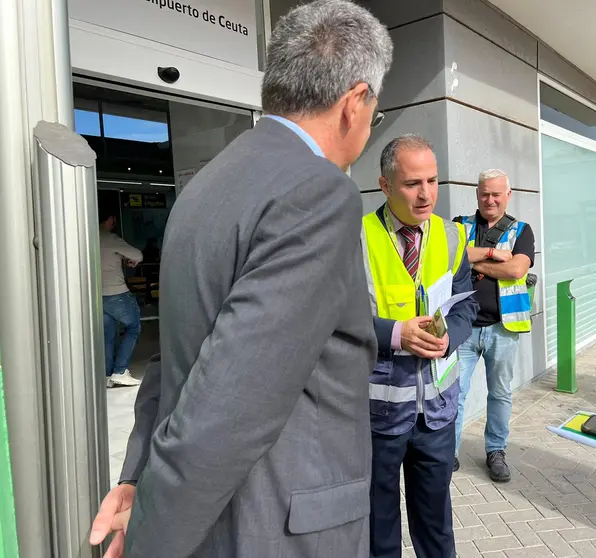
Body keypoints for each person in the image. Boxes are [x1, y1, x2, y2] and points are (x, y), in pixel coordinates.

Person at [90, 2, 393, 557]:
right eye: (376, 108)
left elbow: (174, 356)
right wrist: (150, 542)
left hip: (217, 520)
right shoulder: (319, 193)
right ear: (354, 103)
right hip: (278, 528)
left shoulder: (205, 188)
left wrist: (140, 477)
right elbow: (231, 402)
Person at [363, 134, 478, 558]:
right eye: (413, 183)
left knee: (436, 528)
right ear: (385, 185)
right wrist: (394, 334)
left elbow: (466, 307)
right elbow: (335, 317)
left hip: (437, 413)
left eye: (432, 180)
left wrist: (452, 338)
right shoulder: (355, 238)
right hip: (379, 414)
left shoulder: (452, 237)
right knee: (379, 530)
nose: (426, 193)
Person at [452, 169, 535, 480]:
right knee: (455, 393)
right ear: (477, 194)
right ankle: (448, 452)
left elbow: (515, 269)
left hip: (503, 327)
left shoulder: (522, 230)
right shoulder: (460, 225)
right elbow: (451, 256)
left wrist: (471, 262)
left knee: (499, 393)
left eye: (496, 194)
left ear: (507, 196)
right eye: (485, 193)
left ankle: (496, 451)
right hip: (463, 326)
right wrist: (489, 254)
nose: (490, 199)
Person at [99, 211, 143, 388]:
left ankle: (108, 375)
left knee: (108, 335)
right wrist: (129, 258)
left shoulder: (88, 237)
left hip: (97, 295)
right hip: (116, 293)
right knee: (133, 327)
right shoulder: (111, 238)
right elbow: (138, 255)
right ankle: (120, 371)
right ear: (110, 219)